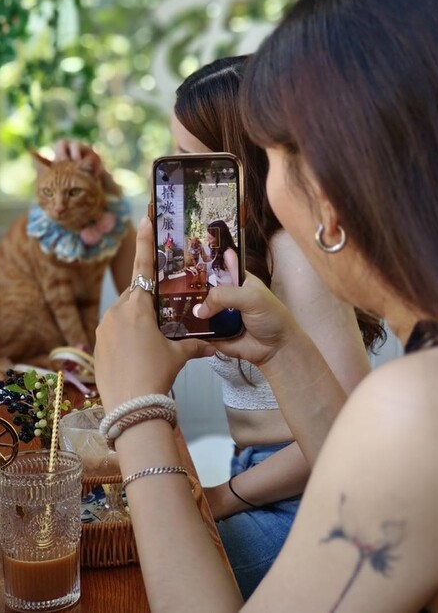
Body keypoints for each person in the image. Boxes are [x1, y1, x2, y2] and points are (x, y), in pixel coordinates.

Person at [94, 0, 438, 612]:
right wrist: (285, 349)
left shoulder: (435, 407)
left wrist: (136, 411)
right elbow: (370, 475)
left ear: (327, 197)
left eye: (269, 157)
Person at [172, 56, 373, 596]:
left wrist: (225, 495)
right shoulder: (227, 251)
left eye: (192, 159)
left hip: (307, 492)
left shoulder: (294, 256)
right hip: (254, 470)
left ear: (242, 160)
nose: (178, 175)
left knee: (161, 575)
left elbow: (344, 437)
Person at [205, 218, 239, 288]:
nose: (207, 240)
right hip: (218, 290)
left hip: (227, 295)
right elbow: (206, 258)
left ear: (220, 238)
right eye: (207, 237)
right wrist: (200, 249)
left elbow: (238, 284)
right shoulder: (218, 250)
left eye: (210, 238)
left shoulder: (229, 254)